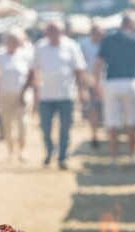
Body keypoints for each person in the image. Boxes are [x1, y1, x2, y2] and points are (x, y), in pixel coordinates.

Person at [95, 13, 135, 167]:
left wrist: (97, 85)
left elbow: (98, 64)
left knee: (112, 122)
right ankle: (133, 156)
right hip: (131, 82)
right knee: (132, 121)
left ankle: (114, 157)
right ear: (131, 25)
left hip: (111, 83)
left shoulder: (108, 40)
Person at [25, 20, 88, 169]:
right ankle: (50, 150)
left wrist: (82, 90)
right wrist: (29, 90)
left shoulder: (71, 46)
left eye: (56, 31)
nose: (54, 34)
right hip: (46, 95)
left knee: (65, 127)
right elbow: (33, 70)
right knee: (45, 127)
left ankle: (63, 156)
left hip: (66, 94)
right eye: (51, 31)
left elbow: (79, 70)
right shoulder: (40, 47)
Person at [0, 29, 33, 161]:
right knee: (7, 124)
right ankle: (10, 150)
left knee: (23, 123)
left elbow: (32, 74)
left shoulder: (26, 55)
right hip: (4, 95)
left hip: (22, 95)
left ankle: (22, 149)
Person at [80, 23, 105, 149]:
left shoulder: (106, 44)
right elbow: (82, 65)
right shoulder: (85, 45)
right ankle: (94, 135)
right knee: (93, 110)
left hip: (106, 82)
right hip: (91, 82)